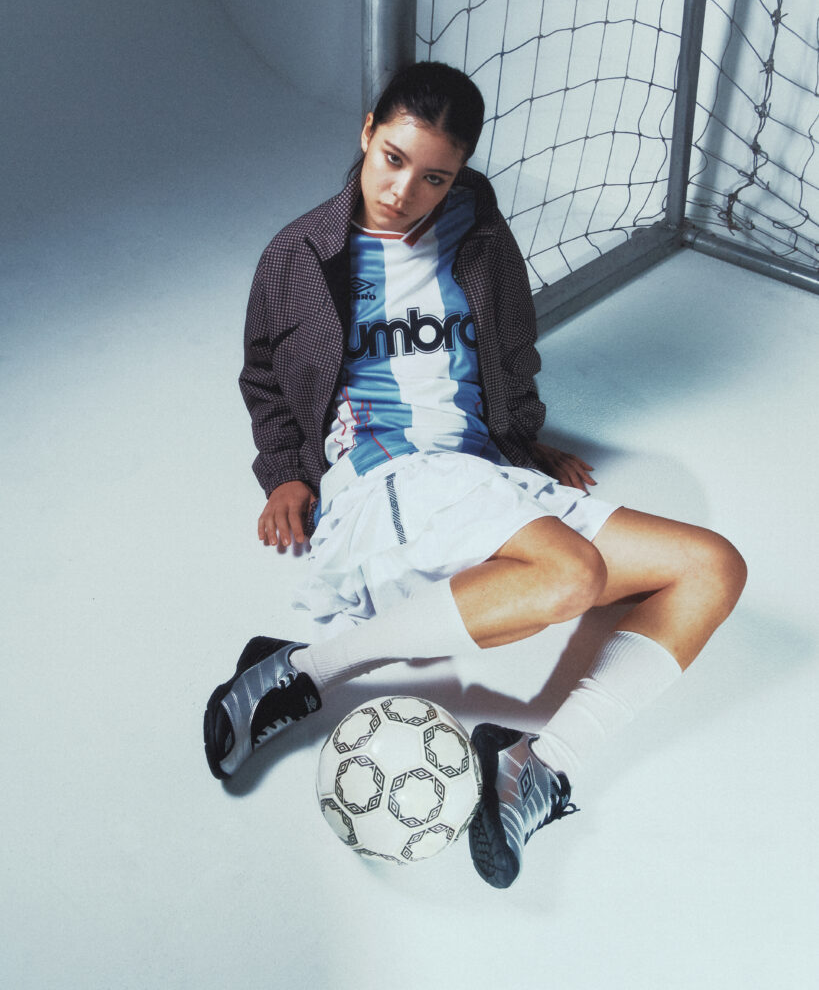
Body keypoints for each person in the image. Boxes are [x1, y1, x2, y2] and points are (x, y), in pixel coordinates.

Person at [204, 61, 746, 889]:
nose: (402, 191)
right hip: (388, 473)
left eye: (432, 176)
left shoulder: (478, 234)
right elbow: (264, 376)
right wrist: (285, 473)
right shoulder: (300, 255)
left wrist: (524, 445)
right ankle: (301, 673)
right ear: (366, 134)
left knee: (711, 566)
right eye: (391, 159)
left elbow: (510, 351)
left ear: (457, 174)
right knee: (570, 575)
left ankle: (538, 765)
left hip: (479, 473)